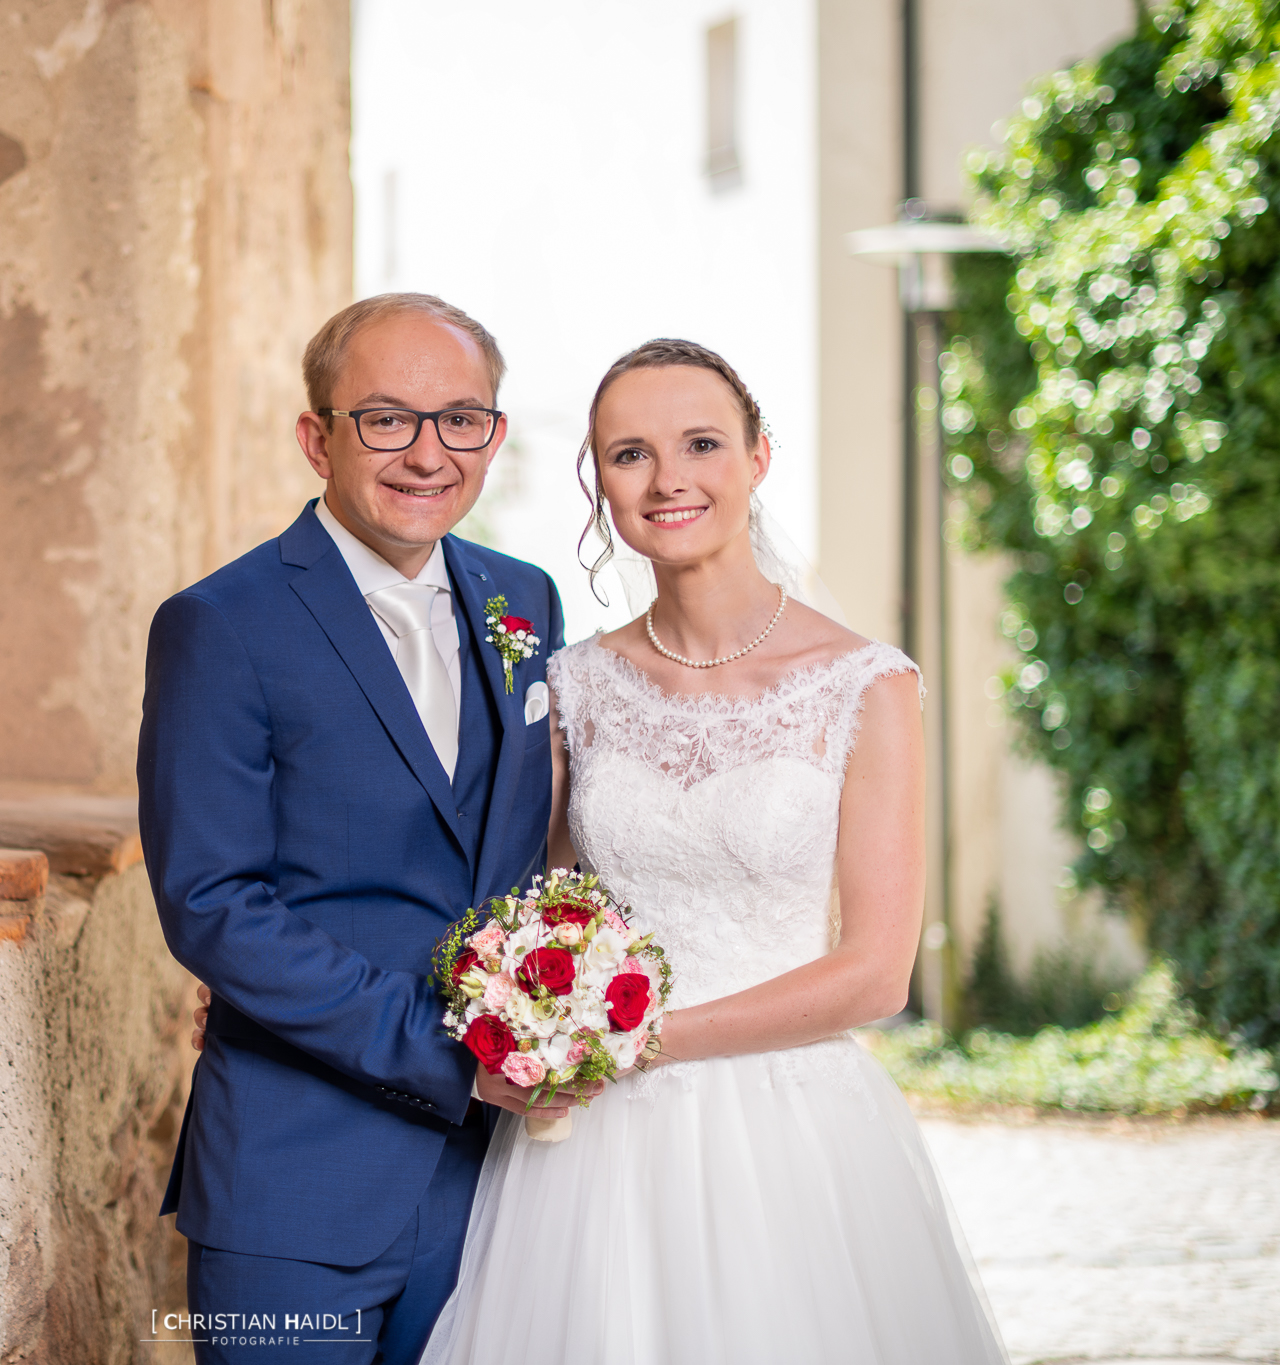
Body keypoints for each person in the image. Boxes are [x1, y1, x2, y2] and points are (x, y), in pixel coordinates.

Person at [419, 339, 1008, 1363]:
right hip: (589, 1152)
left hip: (789, 1133)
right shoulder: (574, 688)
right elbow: (541, 907)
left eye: (699, 443)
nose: (667, 478)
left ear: (757, 459)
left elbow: (873, 974)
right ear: (597, 484)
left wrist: (634, 1044)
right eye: (628, 454)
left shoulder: (864, 683)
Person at [137, 293, 580, 1365]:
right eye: (385, 419)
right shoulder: (219, 624)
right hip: (296, 1184)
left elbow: (529, 857)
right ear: (315, 437)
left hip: (502, 1184)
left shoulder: (524, 603)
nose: (426, 453)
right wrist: (448, 1050)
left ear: (493, 435)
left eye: (458, 419)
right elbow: (212, 906)